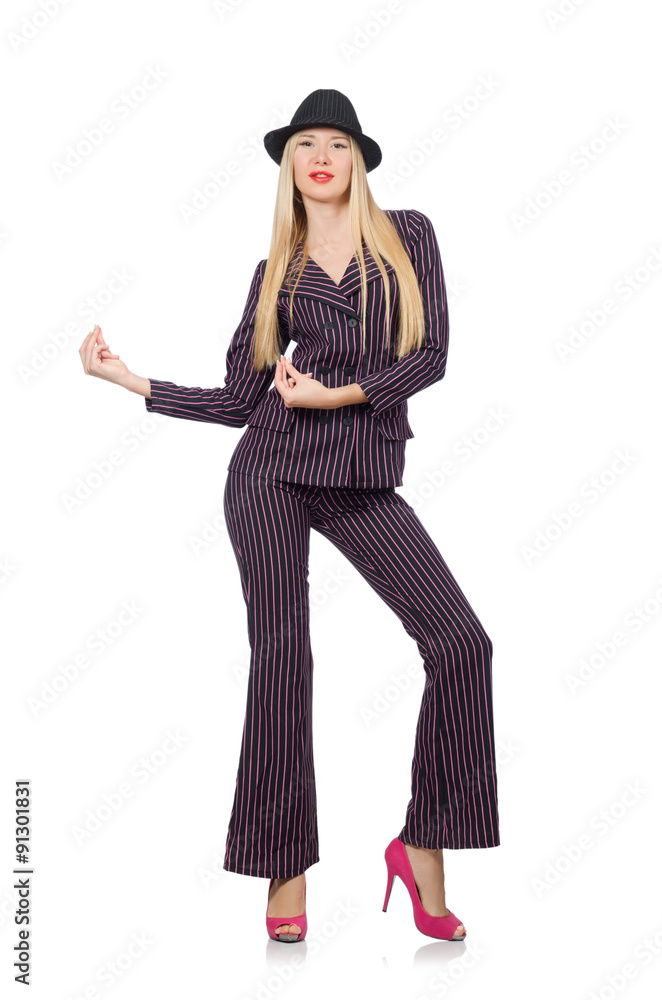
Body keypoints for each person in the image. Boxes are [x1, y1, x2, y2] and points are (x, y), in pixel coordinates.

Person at [79, 89, 500, 944]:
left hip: (361, 476)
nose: (321, 157)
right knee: (283, 660)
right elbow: (243, 399)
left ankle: (423, 844)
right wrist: (134, 382)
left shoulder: (409, 236)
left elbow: (432, 356)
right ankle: (284, 867)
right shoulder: (276, 271)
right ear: (289, 165)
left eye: (337, 143)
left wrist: (338, 395)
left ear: (358, 160)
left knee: (462, 644)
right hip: (271, 471)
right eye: (306, 144)